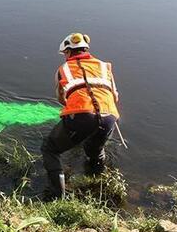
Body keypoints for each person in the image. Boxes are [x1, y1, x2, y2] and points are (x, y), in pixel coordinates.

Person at [41, 33, 120, 199]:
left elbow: (61, 99)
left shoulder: (63, 70)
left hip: (81, 115)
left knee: (50, 148)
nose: (64, 56)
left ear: (69, 52)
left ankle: (57, 197)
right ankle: (97, 186)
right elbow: (115, 96)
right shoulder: (104, 67)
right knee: (95, 150)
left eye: (64, 53)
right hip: (109, 116)